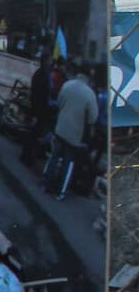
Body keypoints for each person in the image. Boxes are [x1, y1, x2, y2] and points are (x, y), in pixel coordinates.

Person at [46, 64, 98, 200]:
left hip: (60, 128)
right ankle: (60, 191)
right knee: (67, 163)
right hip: (74, 135)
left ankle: (47, 184)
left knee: (54, 156)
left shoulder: (68, 85)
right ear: (89, 77)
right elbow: (93, 118)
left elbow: (59, 102)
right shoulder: (90, 94)